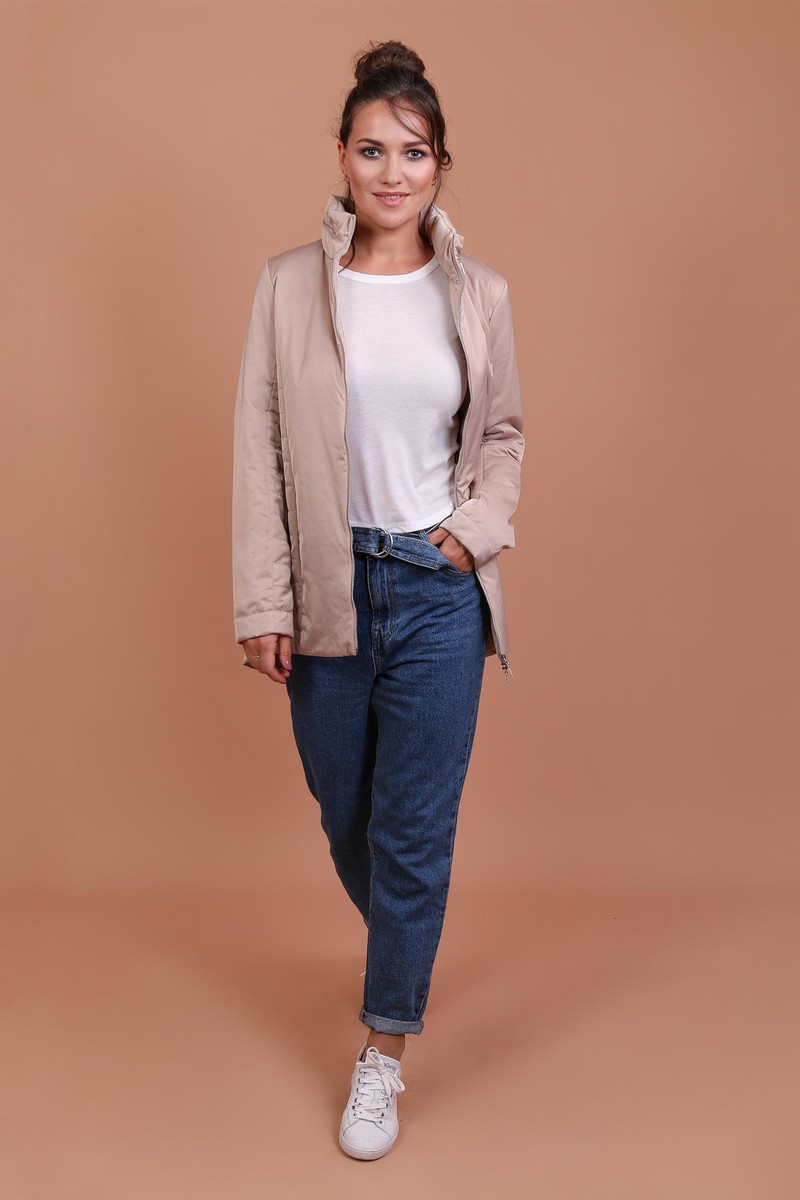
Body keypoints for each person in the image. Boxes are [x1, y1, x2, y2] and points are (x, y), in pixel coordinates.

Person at [231, 39, 524, 1160]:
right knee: (343, 810)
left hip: (438, 590)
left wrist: (471, 535)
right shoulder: (287, 286)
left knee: (412, 832)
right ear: (342, 158)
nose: (390, 172)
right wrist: (263, 601)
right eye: (370, 149)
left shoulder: (479, 293)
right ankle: (409, 934)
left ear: (440, 164)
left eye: (412, 152)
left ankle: (382, 1051)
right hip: (328, 586)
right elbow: (260, 450)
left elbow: (501, 438)